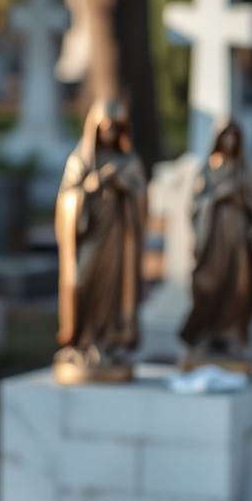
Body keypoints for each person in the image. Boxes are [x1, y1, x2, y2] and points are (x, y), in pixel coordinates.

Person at [53, 98, 146, 383]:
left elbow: (141, 199)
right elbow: (66, 198)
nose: (109, 135)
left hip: (117, 238)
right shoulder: (80, 161)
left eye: (115, 129)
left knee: (114, 288)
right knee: (80, 280)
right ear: (93, 129)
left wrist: (124, 188)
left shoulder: (129, 162)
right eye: (104, 129)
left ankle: (109, 342)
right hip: (89, 235)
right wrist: (87, 190)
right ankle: (82, 340)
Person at [179, 121, 252, 359]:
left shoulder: (245, 172)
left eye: (233, 137)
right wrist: (220, 195)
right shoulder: (207, 171)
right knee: (210, 283)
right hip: (213, 238)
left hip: (237, 239)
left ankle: (231, 335)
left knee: (237, 286)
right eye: (224, 137)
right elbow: (196, 206)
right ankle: (206, 334)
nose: (229, 143)